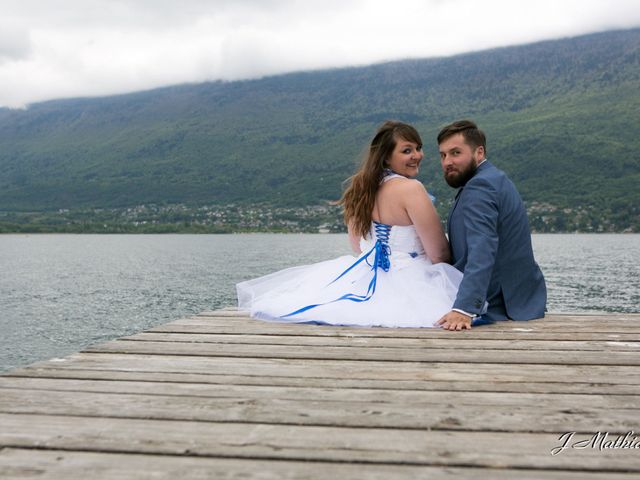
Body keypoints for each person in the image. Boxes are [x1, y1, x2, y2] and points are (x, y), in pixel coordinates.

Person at [236, 120, 463, 327]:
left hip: (364, 275)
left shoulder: (360, 188)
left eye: (418, 148)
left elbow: (357, 247)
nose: (417, 155)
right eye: (407, 151)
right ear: (386, 157)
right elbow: (439, 254)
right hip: (413, 278)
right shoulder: (411, 189)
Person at [436, 120, 547, 330]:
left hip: (497, 305)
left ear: (479, 152)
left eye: (455, 153)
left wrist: (464, 308)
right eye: (443, 155)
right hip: (521, 299)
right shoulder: (493, 178)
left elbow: (482, 248)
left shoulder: (481, 185)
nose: (447, 161)